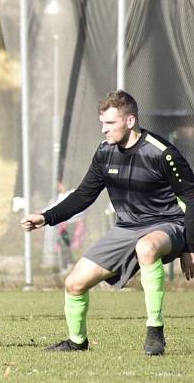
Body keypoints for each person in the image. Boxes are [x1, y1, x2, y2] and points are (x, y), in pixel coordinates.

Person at [21, 90, 194, 355]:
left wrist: (189, 247)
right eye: (102, 123)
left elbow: (191, 198)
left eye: (110, 123)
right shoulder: (104, 153)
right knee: (74, 284)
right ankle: (77, 341)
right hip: (126, 228)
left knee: (146, 248)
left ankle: (155, 329)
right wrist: (46, 217)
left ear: (130, 121)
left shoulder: (162, 153)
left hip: (167, 224)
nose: (104, 130)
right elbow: (83, 195)